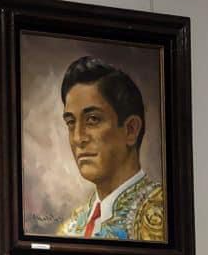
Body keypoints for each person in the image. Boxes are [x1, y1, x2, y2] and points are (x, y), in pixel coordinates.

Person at [55, 56, 166, 243]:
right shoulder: (69, 228)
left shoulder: (164, 215)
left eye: (93, 119)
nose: (78, 138)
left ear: (131, 129)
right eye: (71, 122)